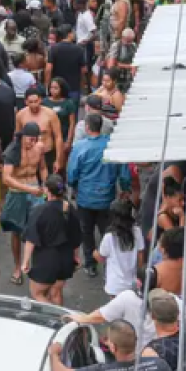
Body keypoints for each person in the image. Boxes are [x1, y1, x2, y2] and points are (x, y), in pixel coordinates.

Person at [67, 112, 130, 278]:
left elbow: (72, 174)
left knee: (86, 232)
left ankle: (90, 264)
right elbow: (124, 173)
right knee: (107, 232)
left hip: (85, 198)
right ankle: (109, 263)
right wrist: (125, 189)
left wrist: (73, 186)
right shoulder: (111, 146)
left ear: (87, 127)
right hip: (106, 198)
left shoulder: (79, 147)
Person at [22, 174, 82, 307]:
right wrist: (76, 256)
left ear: (47, 191)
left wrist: (25, 262)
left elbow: (31, 239)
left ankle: (54, 316)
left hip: (46, 261)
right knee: (56, 292)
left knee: (37, 293)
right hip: (65, 259)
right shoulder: (70, 209)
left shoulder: (40, 211)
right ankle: (60, 316)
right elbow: (76, 237)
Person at [0, 122, 46, 286]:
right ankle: (17, 267)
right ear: (23, 137)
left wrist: (45, 183)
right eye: (29, 139)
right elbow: (6, 178)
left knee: (37, 229)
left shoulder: (39, 148)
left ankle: (35, 266)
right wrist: (29, 189)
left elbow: (42, 168)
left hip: (35, 191)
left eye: (35, 140)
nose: (32, 143)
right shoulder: (13, 150)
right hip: (17, 193)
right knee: (16, 231)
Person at [97, 199, 143, 297]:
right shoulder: (137, 231)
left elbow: (101, 258)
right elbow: (140, 256)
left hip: (115, 285)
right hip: (132, 283)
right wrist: (140, 275)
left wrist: (93, 253)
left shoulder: (109, 236)